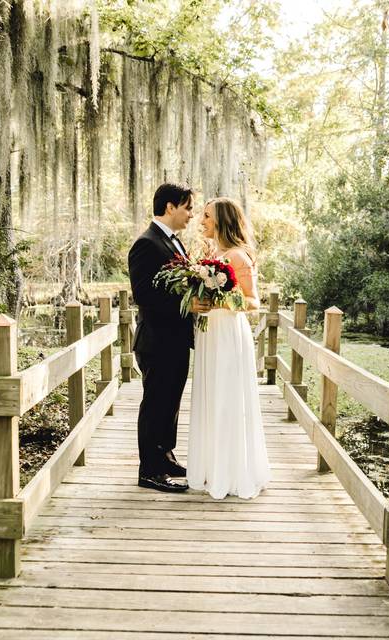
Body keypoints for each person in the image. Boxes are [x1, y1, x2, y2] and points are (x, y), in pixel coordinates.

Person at [127, 182, 211, 492]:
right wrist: (188, 303)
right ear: (170, 207)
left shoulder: (174, 243)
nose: (191, 214)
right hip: (157, 340)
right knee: (156, 403)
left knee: (171, 402)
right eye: (188, 207)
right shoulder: (146, 244)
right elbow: (144, 296)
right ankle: (149, 470)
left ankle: (164, 456)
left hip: (175, 339)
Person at [187, 197, 271, 499]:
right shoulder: (211, 253)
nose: (202, 221)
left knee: (227, 398)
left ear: (222, 220)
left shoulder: (238, 256)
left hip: (229, 334)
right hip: (209, 334)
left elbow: (253, 302)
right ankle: (211, 468)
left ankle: (233, 472)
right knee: (211, 396)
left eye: (207, 216)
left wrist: (222, 300)